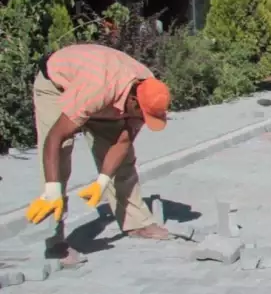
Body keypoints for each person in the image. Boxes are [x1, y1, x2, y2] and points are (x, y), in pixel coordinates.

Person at [26, 42, 173, 256]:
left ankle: (136, 222)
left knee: (124, 162)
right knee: (59, 158)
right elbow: (54, 138)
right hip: (57, 85)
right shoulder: (99, 88)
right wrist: (52, 190)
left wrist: (102, 181)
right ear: (133, 101)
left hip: (105, 96)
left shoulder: (148, 93)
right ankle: (55, 239)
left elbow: (123, 142)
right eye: (142, 114)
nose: (143, 120)